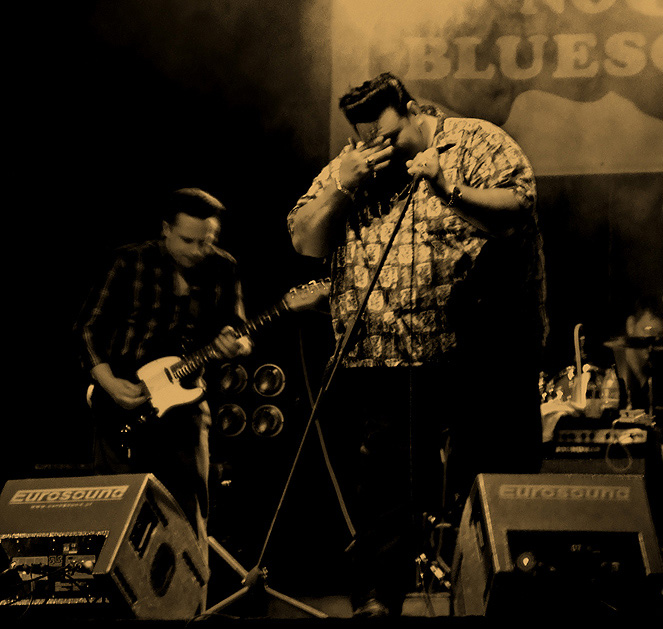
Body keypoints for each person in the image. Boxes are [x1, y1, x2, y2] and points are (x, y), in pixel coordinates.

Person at [287, 72, 547, 617]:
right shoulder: (352, 166)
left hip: (478, 352)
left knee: (487, 480)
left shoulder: (475, 141)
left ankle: (501, 599)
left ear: (411, 109)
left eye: (387, 135)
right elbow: (305, 239)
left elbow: (518, 205)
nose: (378, 149)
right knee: (385, 491)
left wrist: (447, 186)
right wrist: (341, 185)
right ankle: (376, 602)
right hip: (384, 358)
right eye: (366, 139)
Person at [74, 187, 252, 572]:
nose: (198, 250)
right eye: (188, 240)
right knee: (116, 512)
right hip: (121, 403)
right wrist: (108, 382)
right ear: (166, 229)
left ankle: (191, 597)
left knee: (190, 512)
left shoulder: (223, 267)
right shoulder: (129, 261)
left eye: (207, 241)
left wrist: (234, 346)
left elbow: (240, 334)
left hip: (185, 410)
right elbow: (87, 327)